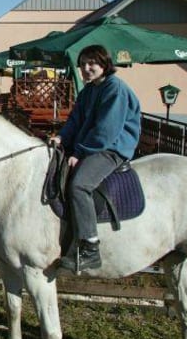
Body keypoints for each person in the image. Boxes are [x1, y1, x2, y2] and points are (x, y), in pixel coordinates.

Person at [49, 45, 141, 273]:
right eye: (82, 64)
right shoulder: (89, 91)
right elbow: (75, 120)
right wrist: (61, 137)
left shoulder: (115, 89)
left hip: (111, 148)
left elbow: (106, 131)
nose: (86, 68)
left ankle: (90, 248)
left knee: (79, 185)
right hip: (91, 144)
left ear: (104, 64)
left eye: (92, 63)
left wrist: (79, 152)